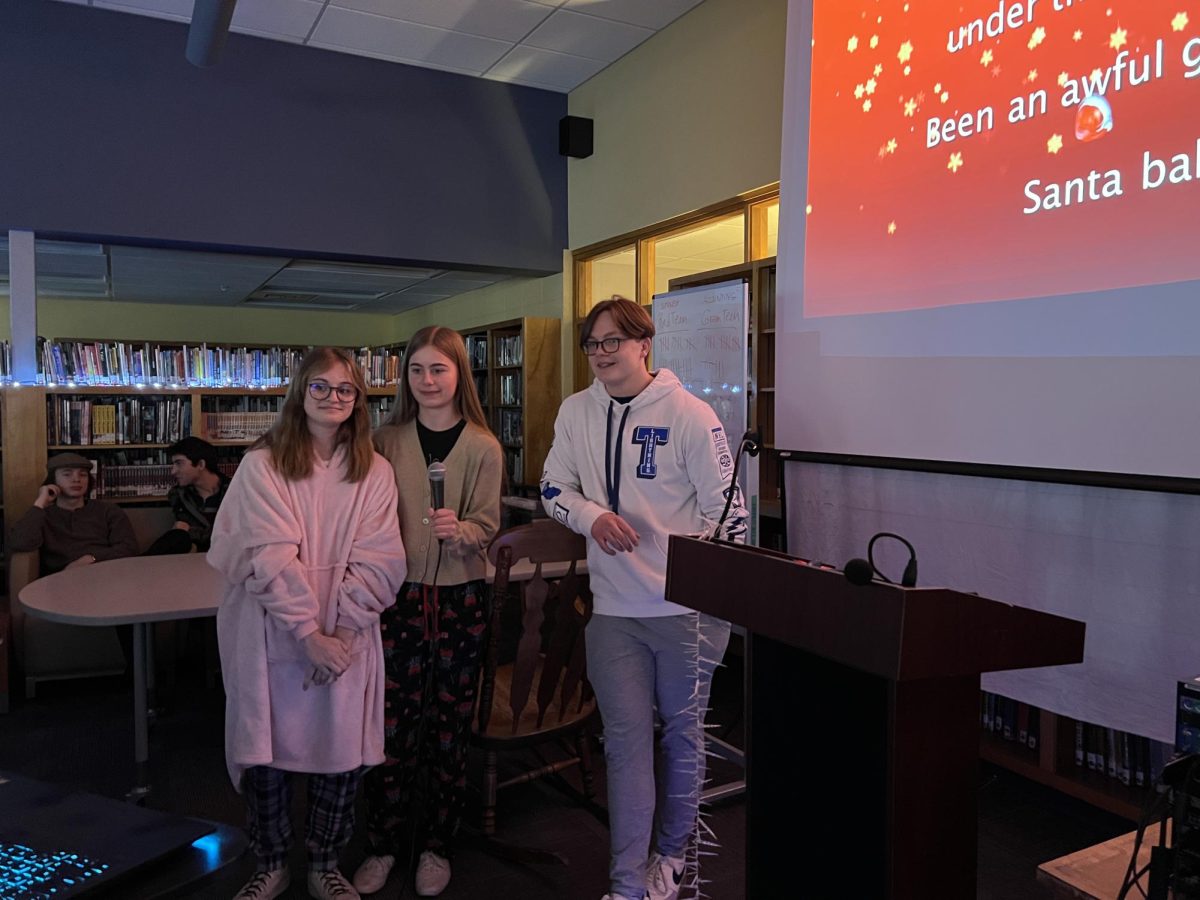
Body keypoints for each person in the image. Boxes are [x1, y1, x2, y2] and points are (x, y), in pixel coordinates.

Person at [538, 297, 747, 900]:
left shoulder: (690, 414)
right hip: (614, 614)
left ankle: (674, 855)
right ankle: (626, 882)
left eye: (613, 342)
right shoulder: (576, 412)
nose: (602, 354)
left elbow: (729, 519)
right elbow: (554, 485)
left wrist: (686, 575)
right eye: (593, 344)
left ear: (644, 344)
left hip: (688, 615)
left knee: (682, 739)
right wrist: (592, 516)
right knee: (625, 746)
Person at [207, 347, 407, 900]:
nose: (334, 398)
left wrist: (340, 635)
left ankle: (324, 863)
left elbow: (380, 558)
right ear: (300, 392)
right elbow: (266, 556)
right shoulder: (262, 463)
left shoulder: (375, 470)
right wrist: (308, 634)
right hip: (271, 628)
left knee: (338, 754)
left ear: (359, 401)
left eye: (346, 390)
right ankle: (271, 862)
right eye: (321, 387)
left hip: (346, 632)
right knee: (267, 755)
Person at [355, 325, 503, 898]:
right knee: (391, 727)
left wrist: (462, 531)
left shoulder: (484, 446)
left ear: (458, 374)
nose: (427, 380)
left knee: (448, 727)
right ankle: (382, 843)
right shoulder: (386, 441)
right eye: (416, 370)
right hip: (398, 599)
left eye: (438, 369)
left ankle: (437, 845)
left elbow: (489, 526)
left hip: (462, 599)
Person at [9, 452, 138, 574]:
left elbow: (129, 548)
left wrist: (90, 559)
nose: (76, 479)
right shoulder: (42, 515)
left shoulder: (108, 510)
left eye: (83, 475)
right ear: (53, 481)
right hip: (59, 582)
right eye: (67, 474)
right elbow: (20, 543)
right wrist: (40, 502)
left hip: (105, 574)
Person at [145, 435, 229, 554]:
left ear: (200, 464)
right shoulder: (178, 495)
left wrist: (189, 531)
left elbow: (233, 534)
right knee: (178, 538)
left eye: (179, 463)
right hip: (192, 557)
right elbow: (186, 537)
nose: (173, 471)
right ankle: (140, 564)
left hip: (229, 555)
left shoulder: (235, 492)